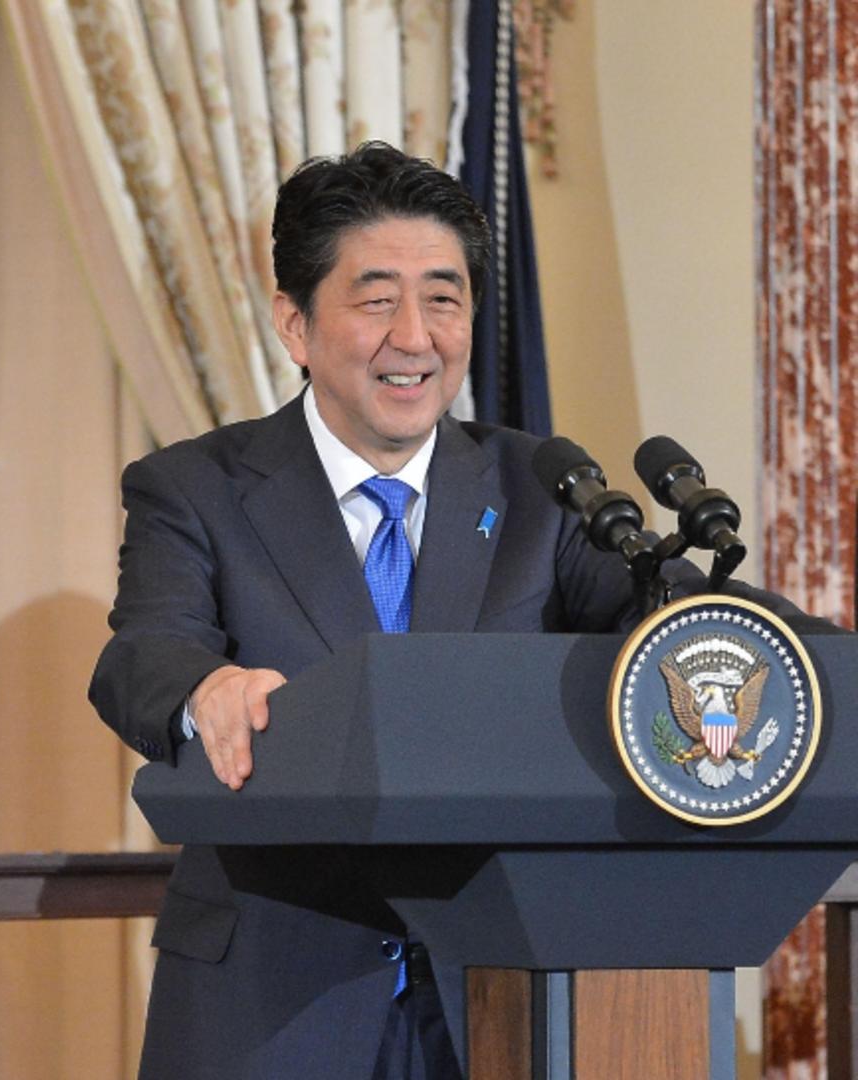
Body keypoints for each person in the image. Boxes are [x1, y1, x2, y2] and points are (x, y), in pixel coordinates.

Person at [88, 142, 826, 1079]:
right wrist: (205, 689)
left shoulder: (538, 487)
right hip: (275, 1000)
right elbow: (143, 650)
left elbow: (673, 619)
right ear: (294, 324)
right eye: (375, 298)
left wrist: (825, 664)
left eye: (444, 298)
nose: (415, 335)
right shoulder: (195, 486)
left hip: (504, 1000)